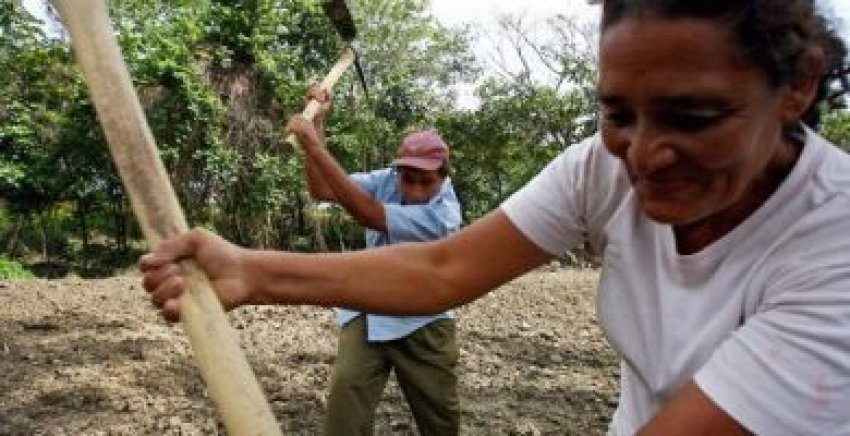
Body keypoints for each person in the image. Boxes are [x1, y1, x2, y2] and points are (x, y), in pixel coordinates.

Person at [140, 1, 850, 434]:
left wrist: (311, 140)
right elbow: (443, 271)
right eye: (616, 113)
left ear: (798, 86)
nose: (645, 154)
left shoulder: (834, 247)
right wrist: (247, 271)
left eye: (693, 117)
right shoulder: (596, 170)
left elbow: (390, 230)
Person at [288, 88, 462, 435]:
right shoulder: (387, 179)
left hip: (422, 321)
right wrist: (319, 121)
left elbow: (369, 214)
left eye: (425, 181)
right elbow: (322, 189)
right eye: (407, 178)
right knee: (343, 419)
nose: (412, 189)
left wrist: (314, 147)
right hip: (368, 311)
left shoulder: (444, 216)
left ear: (443, 176)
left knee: (440, 423)